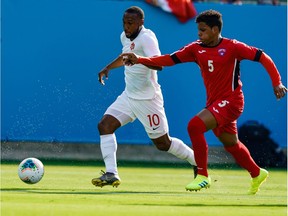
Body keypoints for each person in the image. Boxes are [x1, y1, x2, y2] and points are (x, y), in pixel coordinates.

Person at [121, 9, 287, 194]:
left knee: (194, 126)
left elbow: (263, 57)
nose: (199, 34)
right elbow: (169, 59)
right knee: (231, 144)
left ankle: (202, 175)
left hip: (232, 101)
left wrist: (277, 82)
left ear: (215, 30)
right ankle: (257, 173)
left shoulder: (233, 47)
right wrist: (141, 59)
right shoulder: (195, 48)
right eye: (198, 30)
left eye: (203, 30)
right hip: (215, 103)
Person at [92, 6, 197, 188]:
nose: (126, 26)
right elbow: (124, 56)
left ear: (141, 22)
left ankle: (197, 162)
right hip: (129, 96)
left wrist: (139, 59)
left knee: (163, 144)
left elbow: (159, 65)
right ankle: (111, 173)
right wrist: (108, 67)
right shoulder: (124, 36)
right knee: (105, 125)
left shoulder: (147, 38)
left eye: (130, 23)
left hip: (148, 100)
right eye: (124, 22)